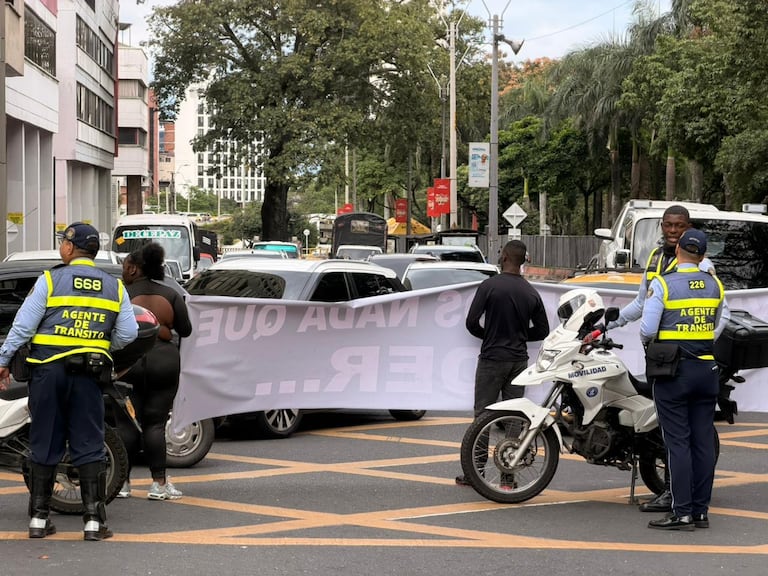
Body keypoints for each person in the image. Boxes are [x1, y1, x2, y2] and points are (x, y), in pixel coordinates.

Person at [0, 222, 138, 540]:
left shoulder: (50, 279)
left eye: (63, 242)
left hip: (48, 372)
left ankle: (38, 520)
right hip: (89, 373)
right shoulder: (114, 286)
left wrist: (4, 360)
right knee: (89, 442)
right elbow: (128, 333)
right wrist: (100, 344)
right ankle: (93, 522)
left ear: (69, 248)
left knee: (44, 441)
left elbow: (23, 326)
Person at [608, 204, 717, 513]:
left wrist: (697, 343)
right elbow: (641, 303)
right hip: (662, 358)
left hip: (681, 358)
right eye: (667, 225)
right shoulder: (655, 260)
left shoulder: (704, 265)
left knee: (678, 436)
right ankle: (690, 503)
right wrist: (610, 322)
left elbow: (715, 314)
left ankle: (675, 495)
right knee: (673, 432)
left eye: (678, 225)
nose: (672, 230)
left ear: (688, 228)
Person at [640, 228, 727, 530]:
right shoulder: (715, 285)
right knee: (702, 441)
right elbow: (716, 325)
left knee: (677, 442)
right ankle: (701, 512)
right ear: (702, 255)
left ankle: (682, 512)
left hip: (675, 372)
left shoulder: (663, 283)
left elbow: (648, 329)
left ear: (678, 253)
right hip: (707, 370)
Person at [455, 240, 550, 485]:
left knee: (483, 416)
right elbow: (542, 330)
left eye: (500, 253)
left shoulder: (489, 286)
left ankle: (476, 472)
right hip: (518, 362)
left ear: (506, 256)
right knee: (513, 417)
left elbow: (471, 322)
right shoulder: (531, 292)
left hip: (491, 359)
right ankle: (508, 476)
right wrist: (517, 336)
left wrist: (491, 335)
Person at [118, 242, 192, 501]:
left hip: (130, 361)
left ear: (136, 268)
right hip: (165, 361)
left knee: (126, 422)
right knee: (155, 423)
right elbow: (185, 330)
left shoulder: (122, 294)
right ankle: (158, 484)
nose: (123, 270)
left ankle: (122, 482)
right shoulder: (170, 294)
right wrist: (161, 327)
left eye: (126, 266)